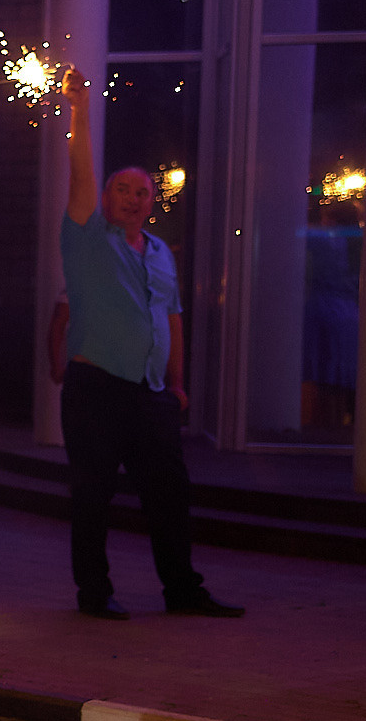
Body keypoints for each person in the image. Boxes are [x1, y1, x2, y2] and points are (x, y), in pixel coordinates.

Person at [57, 69, 242, 619]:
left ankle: (182, 590)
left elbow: (173, 318)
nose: (135, 199)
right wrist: (80, 110)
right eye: (124, 190)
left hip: (151, 393)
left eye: (144, 193)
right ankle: (94, 594)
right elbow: (80, 172)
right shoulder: (88, 237)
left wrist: (177, 385)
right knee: (93, 496)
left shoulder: (160, 252)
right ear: (107, 198)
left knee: (169, 495)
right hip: (96, 388)